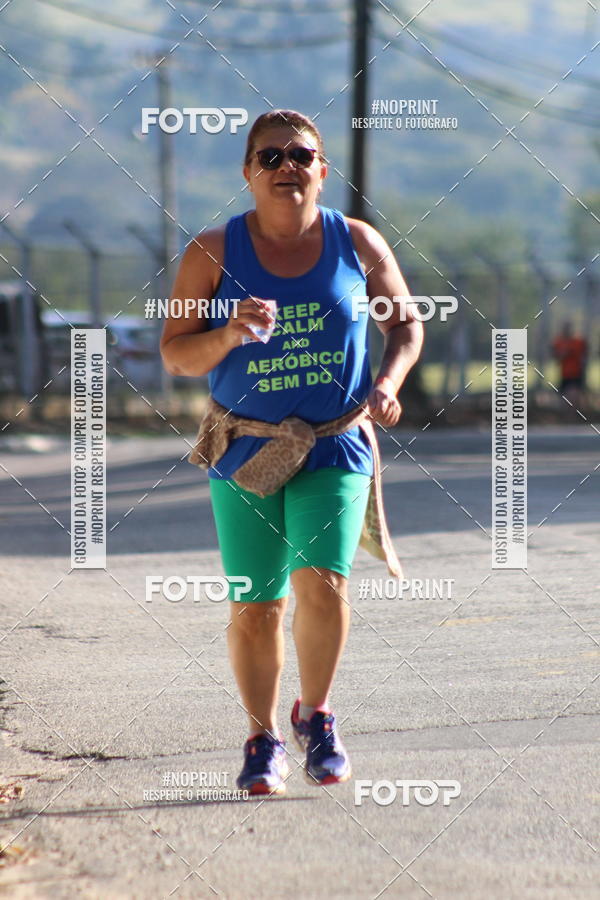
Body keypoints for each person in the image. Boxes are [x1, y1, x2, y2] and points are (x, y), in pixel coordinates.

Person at [160, 109, 423, 796]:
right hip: (245, 448)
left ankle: (318, 715)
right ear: (248, 174)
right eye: (270, 157)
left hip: (336, 442)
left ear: (322, 170)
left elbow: (406, 326)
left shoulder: (357, 242)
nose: (287, 167)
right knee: (256, 605)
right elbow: (175, 354)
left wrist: (388, 385)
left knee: (323, 583)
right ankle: (262, 736)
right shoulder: (211, 252)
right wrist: (227, 336)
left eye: (301, 155)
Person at [552, 320, 588, 406]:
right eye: (565, 328)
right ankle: (566, 415)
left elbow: (584, 354)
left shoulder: (578, 341)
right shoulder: (559, 341)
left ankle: (575, 414)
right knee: (564, 397)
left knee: (575, 395)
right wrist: (564, 354)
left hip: (576, 373)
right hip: (565, 374)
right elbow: (555, 356)